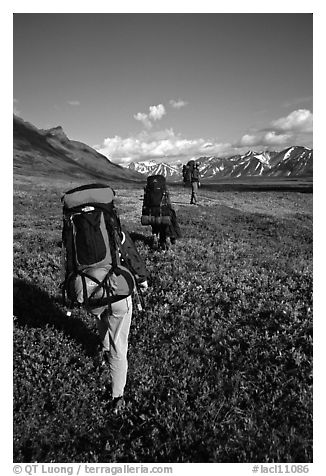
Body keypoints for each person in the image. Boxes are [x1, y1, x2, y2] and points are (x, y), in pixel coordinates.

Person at [91, 226, 148, 415]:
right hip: (118, 294)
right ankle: (117, 396)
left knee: (101, 315)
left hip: (89, 291)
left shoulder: (74, 228)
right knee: (120, 343)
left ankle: (103, 349)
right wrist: (142, 279)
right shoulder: (114, 227)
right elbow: (130, 254)